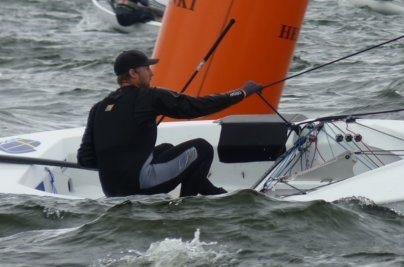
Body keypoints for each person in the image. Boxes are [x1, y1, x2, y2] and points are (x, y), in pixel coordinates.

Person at [77, 49, 264, 197]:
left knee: (165, 149)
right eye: (146, 68)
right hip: (140, 185)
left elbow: (85, 159)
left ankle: (214, 192)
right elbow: (197, 107)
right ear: (133, 73)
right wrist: (242, 93)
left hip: (111, 190)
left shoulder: (98, 108)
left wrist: (120, 160)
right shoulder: (149, 96)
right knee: (201, 148)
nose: (151, 73)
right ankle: (186, 208)